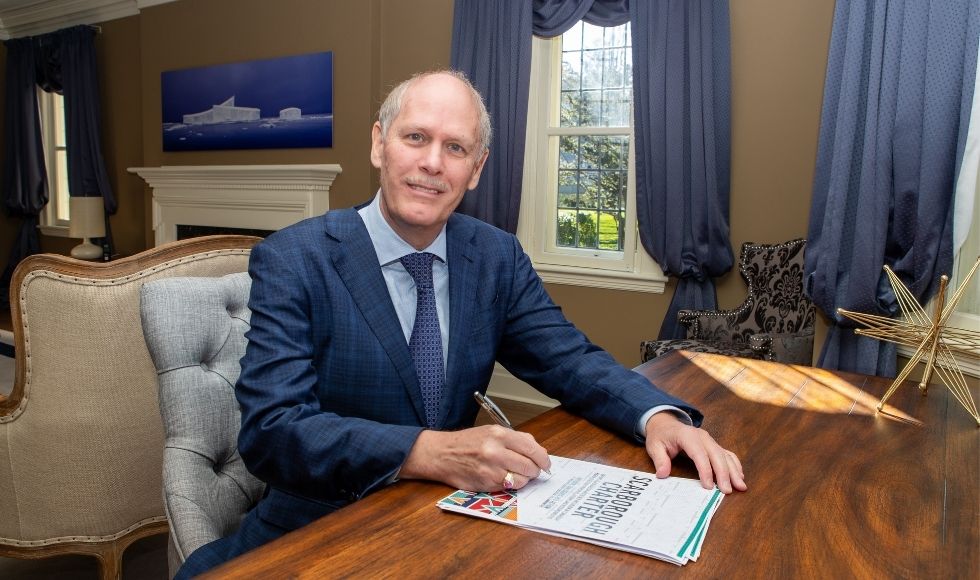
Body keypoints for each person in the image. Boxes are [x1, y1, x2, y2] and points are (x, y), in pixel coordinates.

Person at [177, 70, 746, 578]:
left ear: (476, 170)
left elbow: (569, 359)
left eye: (456, 148)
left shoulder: (495, 256)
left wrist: (656, 415)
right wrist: (430, 452)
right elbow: (273, 430)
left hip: (443, 526)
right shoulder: (296, 258)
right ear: (379, 143)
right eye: (416, 137)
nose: (432, 163)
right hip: (318, 532)